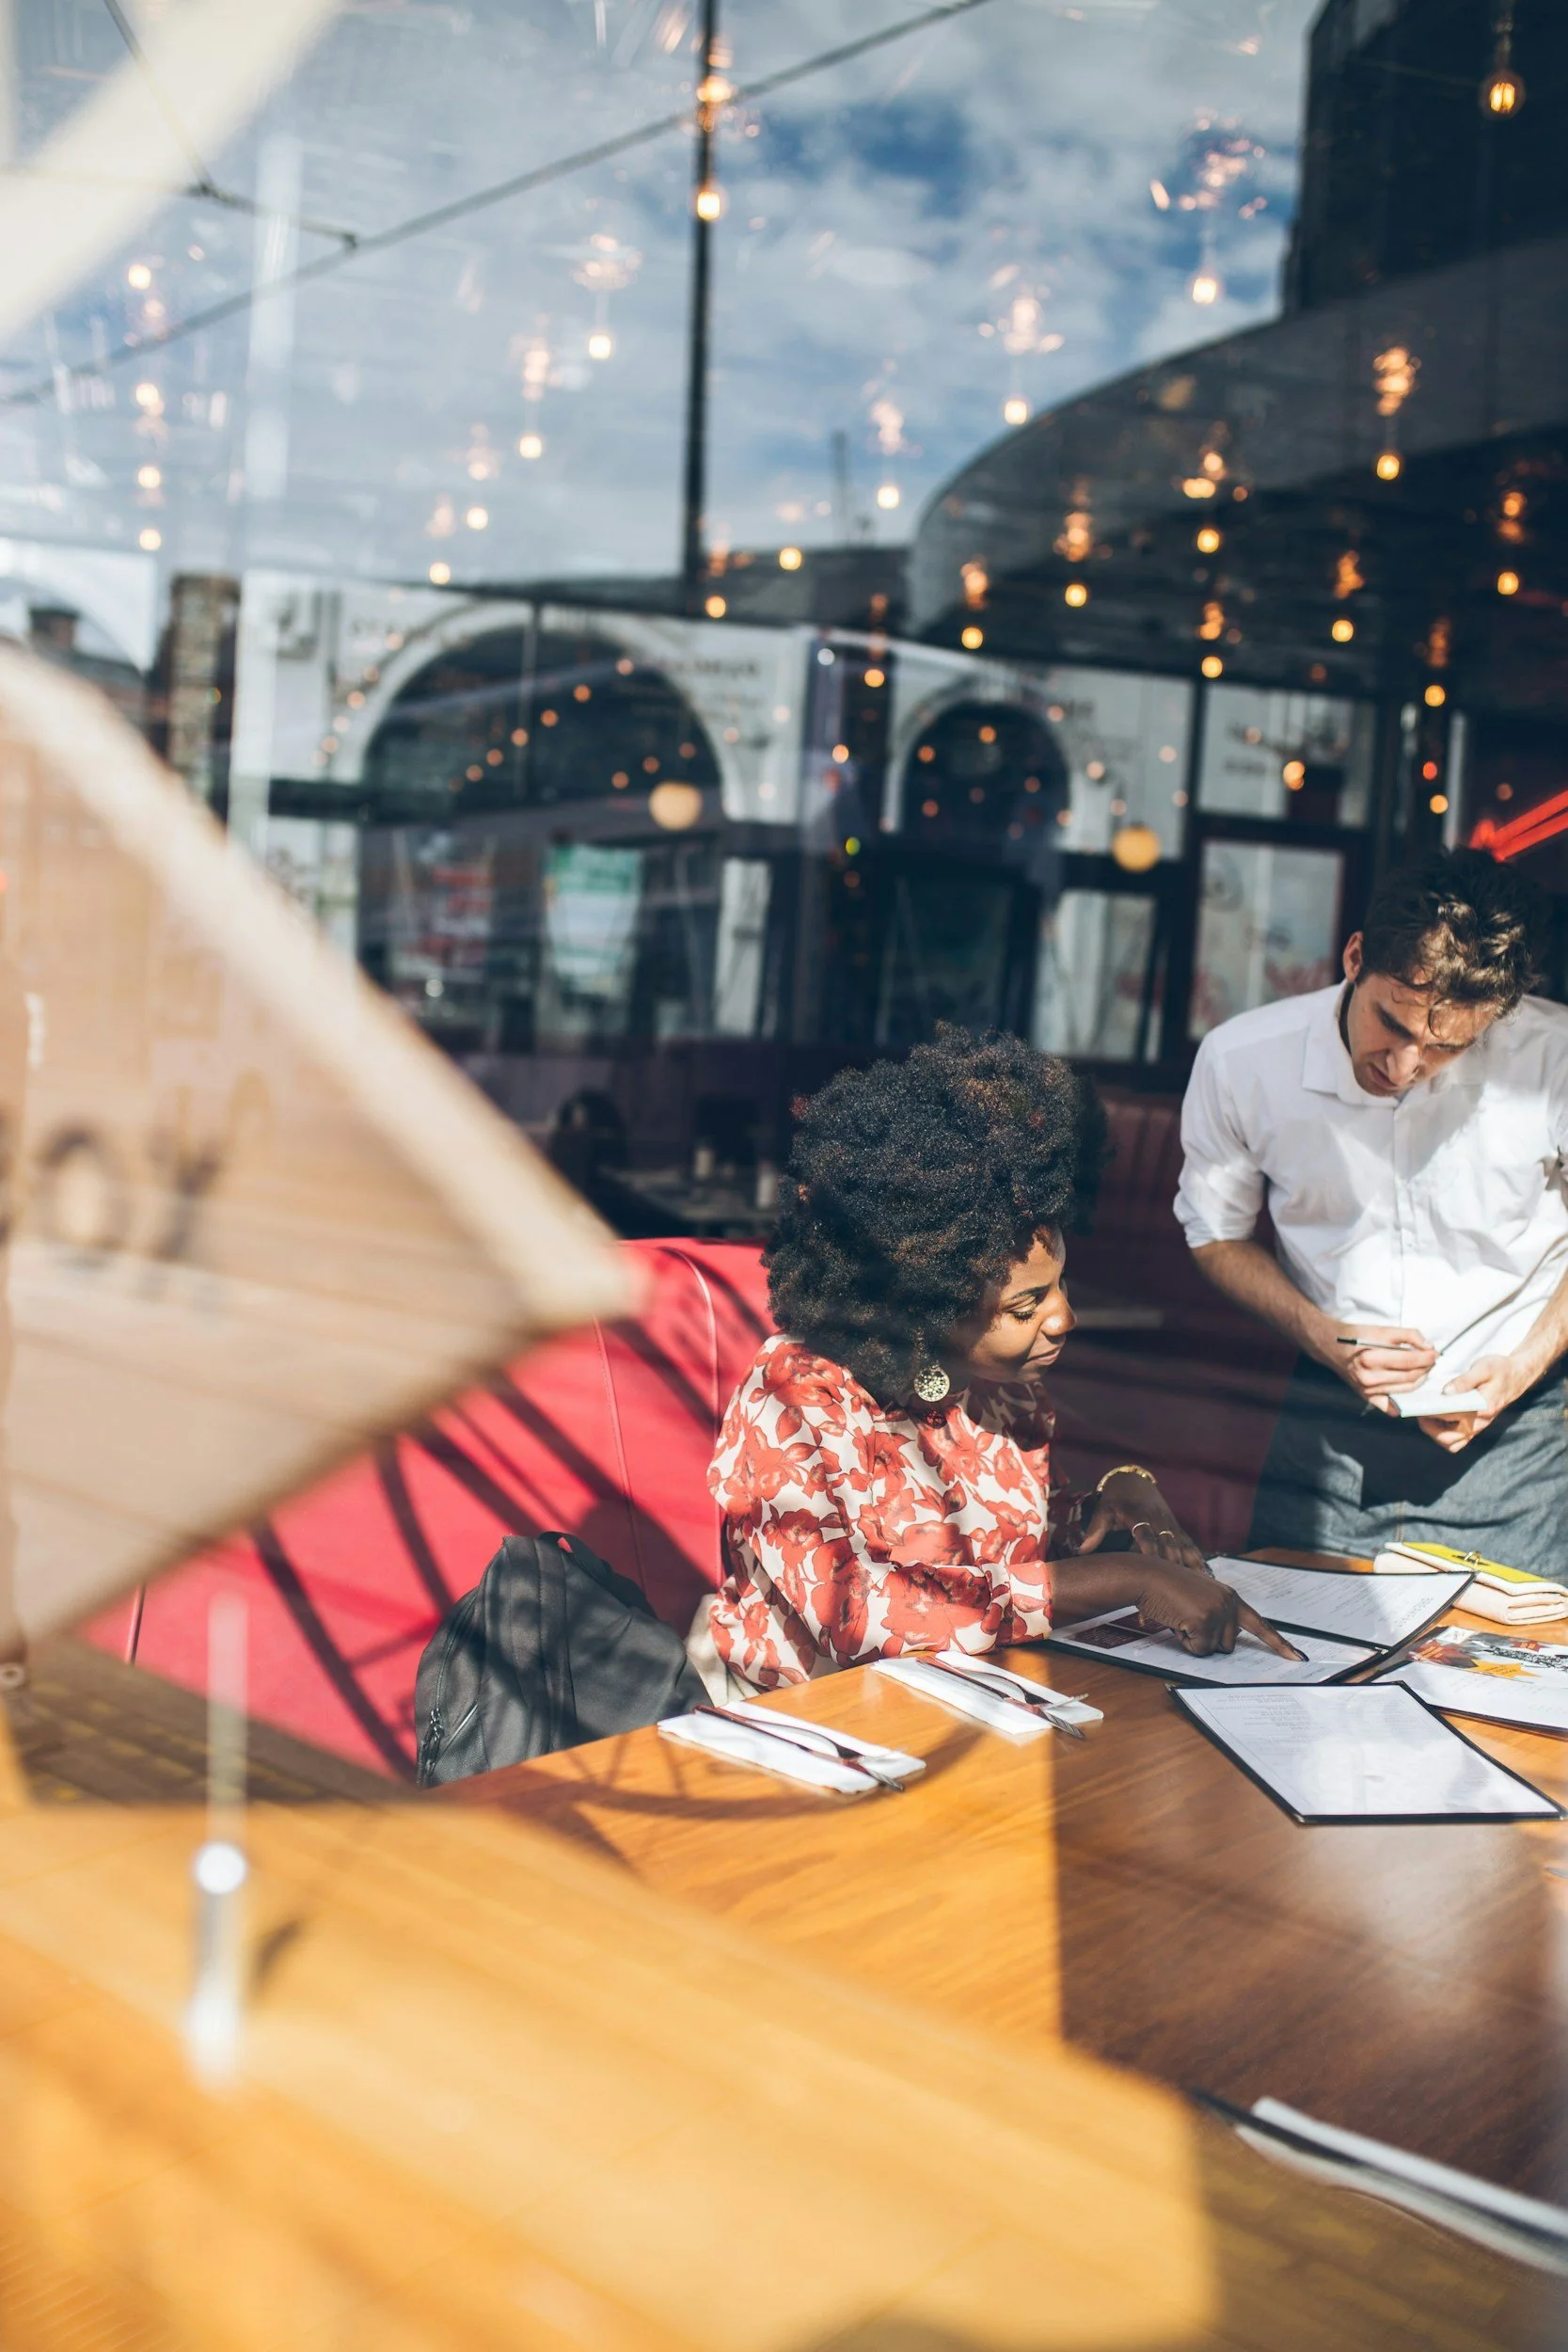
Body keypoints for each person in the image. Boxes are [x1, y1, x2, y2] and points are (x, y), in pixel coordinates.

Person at [687, 1028, 1298, 1696]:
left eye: (1061, 1284)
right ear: (929, 1301)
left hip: (962, 1705)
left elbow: (1022, 1546)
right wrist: (1129, 1580)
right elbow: (854, 1616)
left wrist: (1118, 1497)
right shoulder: (794, 1397)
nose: (1063, 1317)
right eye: (1026, 1304)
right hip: (802, 1722)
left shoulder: (1003, 1392)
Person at [1176, 847, 1568, 1571]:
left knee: (1507, 1677)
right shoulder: (1240, 1060)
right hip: (1325, 1431)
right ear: (1354, 956)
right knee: (1288, 1666)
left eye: (1447, 1047)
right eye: (1392, 1023)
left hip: (1517, 1440)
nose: (1404, 1065)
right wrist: (1323, 1337)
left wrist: (1518, 1368)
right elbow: (1214, 1234)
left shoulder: (1555, 1060)